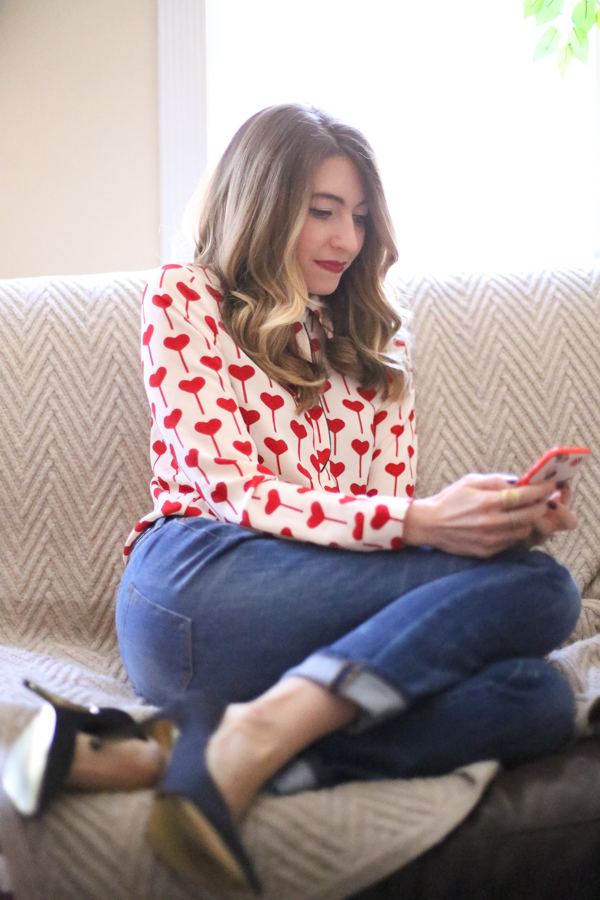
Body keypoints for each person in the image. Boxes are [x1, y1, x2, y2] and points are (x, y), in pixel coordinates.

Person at [3, 104, 581, 893]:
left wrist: (485, 526)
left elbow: (380, 530)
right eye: (323, 211)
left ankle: (204, 750)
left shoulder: (379, 342)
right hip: (196, 586)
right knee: (545, 591)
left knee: (537, 697)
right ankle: (247, 739)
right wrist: (425, 522)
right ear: (263, 204)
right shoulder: (186, 299)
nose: (347, 239)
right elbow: (234, 489)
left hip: (317, 618)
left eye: (360, 217)